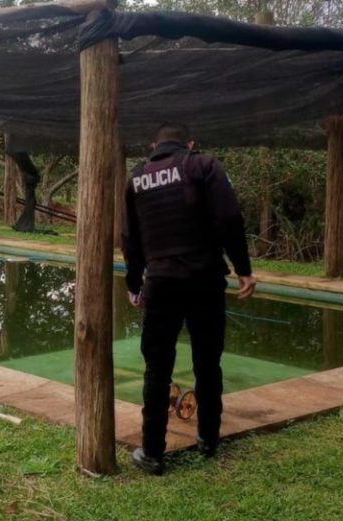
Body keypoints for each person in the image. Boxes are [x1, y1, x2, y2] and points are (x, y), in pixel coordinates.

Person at [121, 122, 256, 475]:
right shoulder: (204, 165)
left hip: (161, 282)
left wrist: (134, 284)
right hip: (205, 280)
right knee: (208, 363)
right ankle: (209, 440)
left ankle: (152, 453)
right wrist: (243, 268)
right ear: (190, 143)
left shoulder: (136, 179)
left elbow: (130, 239)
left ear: (154, 145)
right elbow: (229, 217)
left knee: (157, 368)